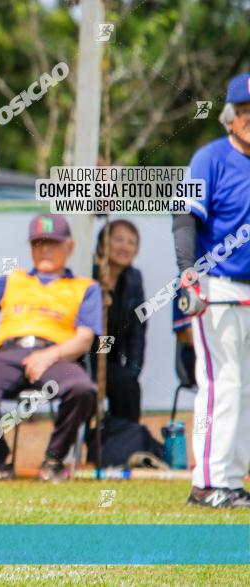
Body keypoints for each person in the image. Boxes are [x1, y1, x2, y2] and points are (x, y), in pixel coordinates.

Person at [0, 214, 102, 481]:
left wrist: (49, 355)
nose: (44, 249)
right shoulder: (13, 280)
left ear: (69, 247)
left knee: (83, 389)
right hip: (11, 354)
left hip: (57, 355)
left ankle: (54, 461)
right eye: (38, 243)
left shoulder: (85, 287)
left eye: (52, 242)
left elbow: (85, 338)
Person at [174, 72, 250, 508]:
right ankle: (207, 483)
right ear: (229, 118)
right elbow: (186, 218)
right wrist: (188, 273)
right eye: (245, 113)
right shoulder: (209, 158)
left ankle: (232, 481)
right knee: (223, 383)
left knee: (244, 390)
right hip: (217, 285)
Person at [90, 220, 146, 422]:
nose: (125, 246)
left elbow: (137, 333)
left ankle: (123, 443)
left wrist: (132, 373)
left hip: (109, 358)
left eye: (131, 242)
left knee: (128, 386)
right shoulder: (87, 274)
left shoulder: (134, 280)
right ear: (103, 243)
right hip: (83, 358)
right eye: (118, 239)